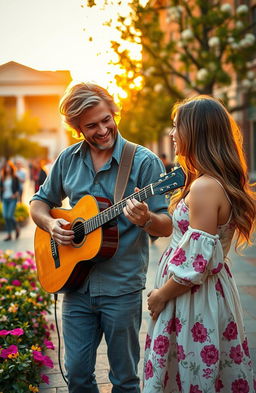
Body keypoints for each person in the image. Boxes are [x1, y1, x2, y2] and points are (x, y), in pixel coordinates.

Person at [30, 82, 172, 393]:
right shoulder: (68, 159)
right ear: (77, 128)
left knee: (123, 379)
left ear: (113, 111)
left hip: (121, 287)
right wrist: (50, 226)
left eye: (106, 119)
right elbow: (39, 202)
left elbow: (166, 225)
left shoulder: (144, 161)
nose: (103, 130)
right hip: (75, 285)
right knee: (77, 375)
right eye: (91, 126)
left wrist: (147, 219)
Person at [143, 96, 256, 392]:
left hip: (193, 298)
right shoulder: (206, 181)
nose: (171, 134)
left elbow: (196, 265)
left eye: (176, 126)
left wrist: (159, 296)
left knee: (190, 373)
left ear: (196, 132)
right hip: (199, 293)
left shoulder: (206, 187)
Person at [0, 160, 20, 241]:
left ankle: (16, 228)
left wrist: (16, 194)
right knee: (5, 216)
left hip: (12, 199)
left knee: (9, 216)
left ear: (11, 168)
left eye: (9, 167)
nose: (7, 168)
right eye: (6, 167)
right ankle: (9, 235)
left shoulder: (15, 177)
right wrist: (2, 189)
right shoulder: (3, 177)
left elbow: (19, 188)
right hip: (5, 198)